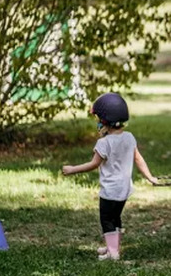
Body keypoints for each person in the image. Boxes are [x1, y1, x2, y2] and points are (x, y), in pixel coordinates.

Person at [62, 92, 158, 260]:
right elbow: (138, 158)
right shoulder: (129, 137)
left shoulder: (104, 143)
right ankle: (112, 248)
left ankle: (113, 254)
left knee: (107, 220)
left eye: (99, 119)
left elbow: (93, 164)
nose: (98, 123)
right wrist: (149, 177)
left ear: (105, 122)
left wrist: (72, 169)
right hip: (124, 190)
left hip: (110, 191)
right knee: (116, 219)